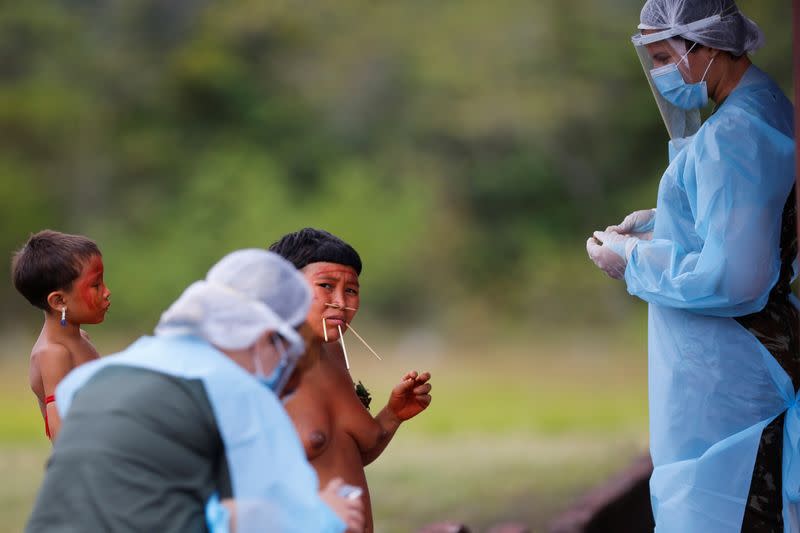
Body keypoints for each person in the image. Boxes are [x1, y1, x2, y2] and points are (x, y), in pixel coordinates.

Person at [586, 1, 797, 531]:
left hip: (732, 376)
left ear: (706, 47)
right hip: (743, 364)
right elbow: (750, 215)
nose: (659, 73)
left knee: (723, 510)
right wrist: (665, 224)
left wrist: (631, 259)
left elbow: (737, 278)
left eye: (664, 56)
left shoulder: (736, 133)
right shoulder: (761, 105)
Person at [25, 249, 364, 533]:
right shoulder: (238, 393)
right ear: (264, 338)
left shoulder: (98, 375)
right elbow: (282, 511)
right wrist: (326, 513)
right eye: (287, 351)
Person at [270, 228, 432, 533]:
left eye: (351, 290)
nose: (341, 302)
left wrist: (393, 415)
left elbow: (343, 457)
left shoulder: (334, 353)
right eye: (326, 286)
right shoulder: (265, 369)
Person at [11, 229, 111, 442]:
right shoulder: (53, 354)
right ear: (59, 301)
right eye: (96, 285)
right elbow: (62, 435)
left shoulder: (81, 337)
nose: (106, 291)